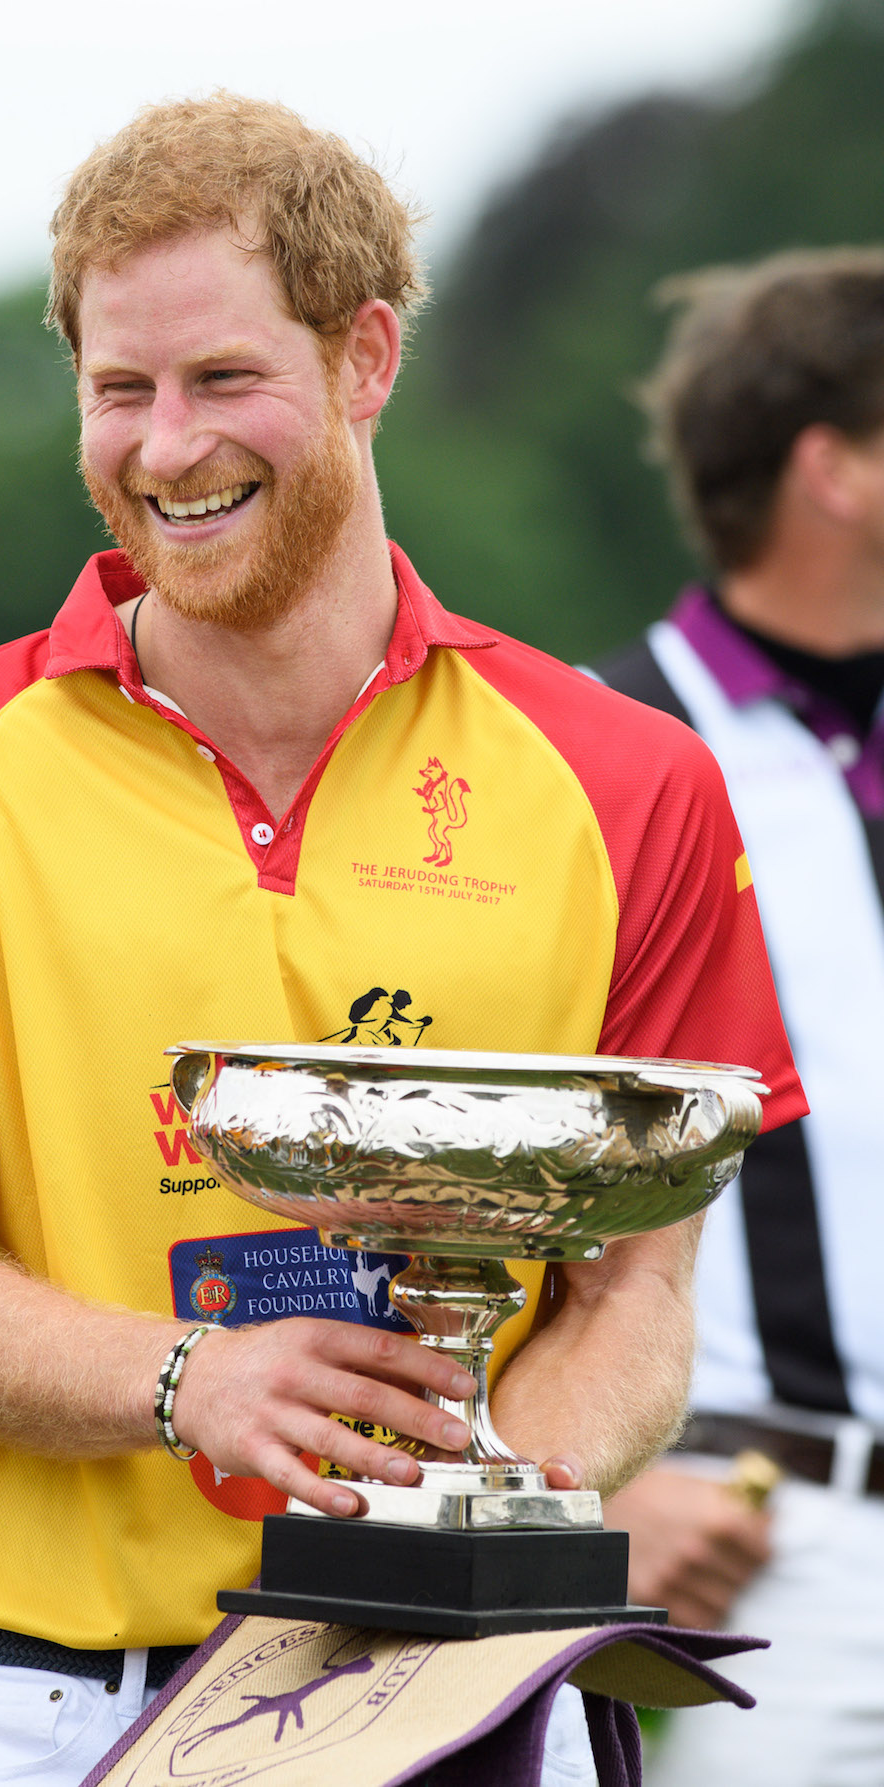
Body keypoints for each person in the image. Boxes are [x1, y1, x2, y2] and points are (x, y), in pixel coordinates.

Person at [0, 95, 805, 1787]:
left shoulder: (625, 778)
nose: (165, 449)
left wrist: (458, 1514)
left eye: (225, 380)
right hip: (59, 1701)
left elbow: (639, 1285)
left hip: (462, 1676)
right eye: (118, 390)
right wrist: (188, 1383)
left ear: (365, 359)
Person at [595, 247, 884, 1787]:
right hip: (777, 1548)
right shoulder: (605, 752)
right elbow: (488, 1196)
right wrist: (585, 1494)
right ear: (830, 470)